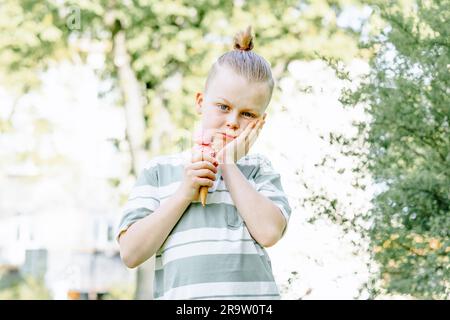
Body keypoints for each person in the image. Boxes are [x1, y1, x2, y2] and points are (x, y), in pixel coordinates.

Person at [116, 26, 292, 299]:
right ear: (200, 102)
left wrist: (229, 164)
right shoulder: (159, 171)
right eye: (223, 107)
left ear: (261, 121)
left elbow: (269, 233)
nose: (232, 122)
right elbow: (130, 253)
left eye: (247, 114)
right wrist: (183, 194)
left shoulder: (259, 170)